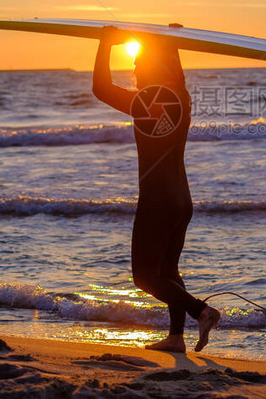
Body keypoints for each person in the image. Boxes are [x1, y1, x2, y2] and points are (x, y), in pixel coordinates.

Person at [92, 26, 221, 353]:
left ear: (153, 68)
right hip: (182, 200)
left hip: (157, 201)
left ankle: (201, 312)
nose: (134, 69)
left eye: (139, 64)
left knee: (145, 278)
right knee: (168, 271)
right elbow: (175, 74)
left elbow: (100, 87)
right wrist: (170, 40)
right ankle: (176, 338)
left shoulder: (144, 100)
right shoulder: (182, 97)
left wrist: (105, 44)